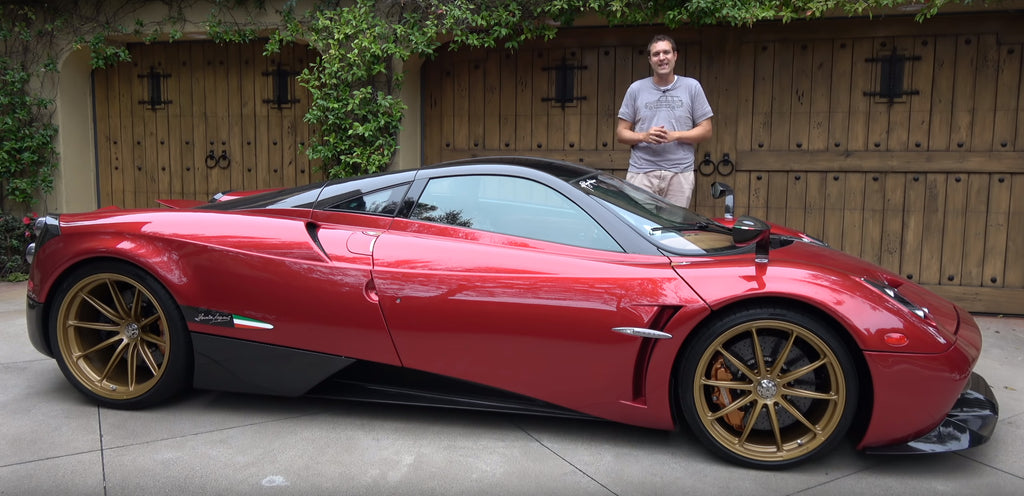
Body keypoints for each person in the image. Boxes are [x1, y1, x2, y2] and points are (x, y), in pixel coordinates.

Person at [616, 34, 713, 209]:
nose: (662, 58)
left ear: (675, 55)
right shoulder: (636, 89)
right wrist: (644, 136)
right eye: (656, 54)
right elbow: (621, 133)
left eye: (666, 52)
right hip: (642, 173)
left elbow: (706, 130)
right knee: (639, 227)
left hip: (679, 173)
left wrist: (675, 135)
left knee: (673, 229)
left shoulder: (692, 87)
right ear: (650, 60)